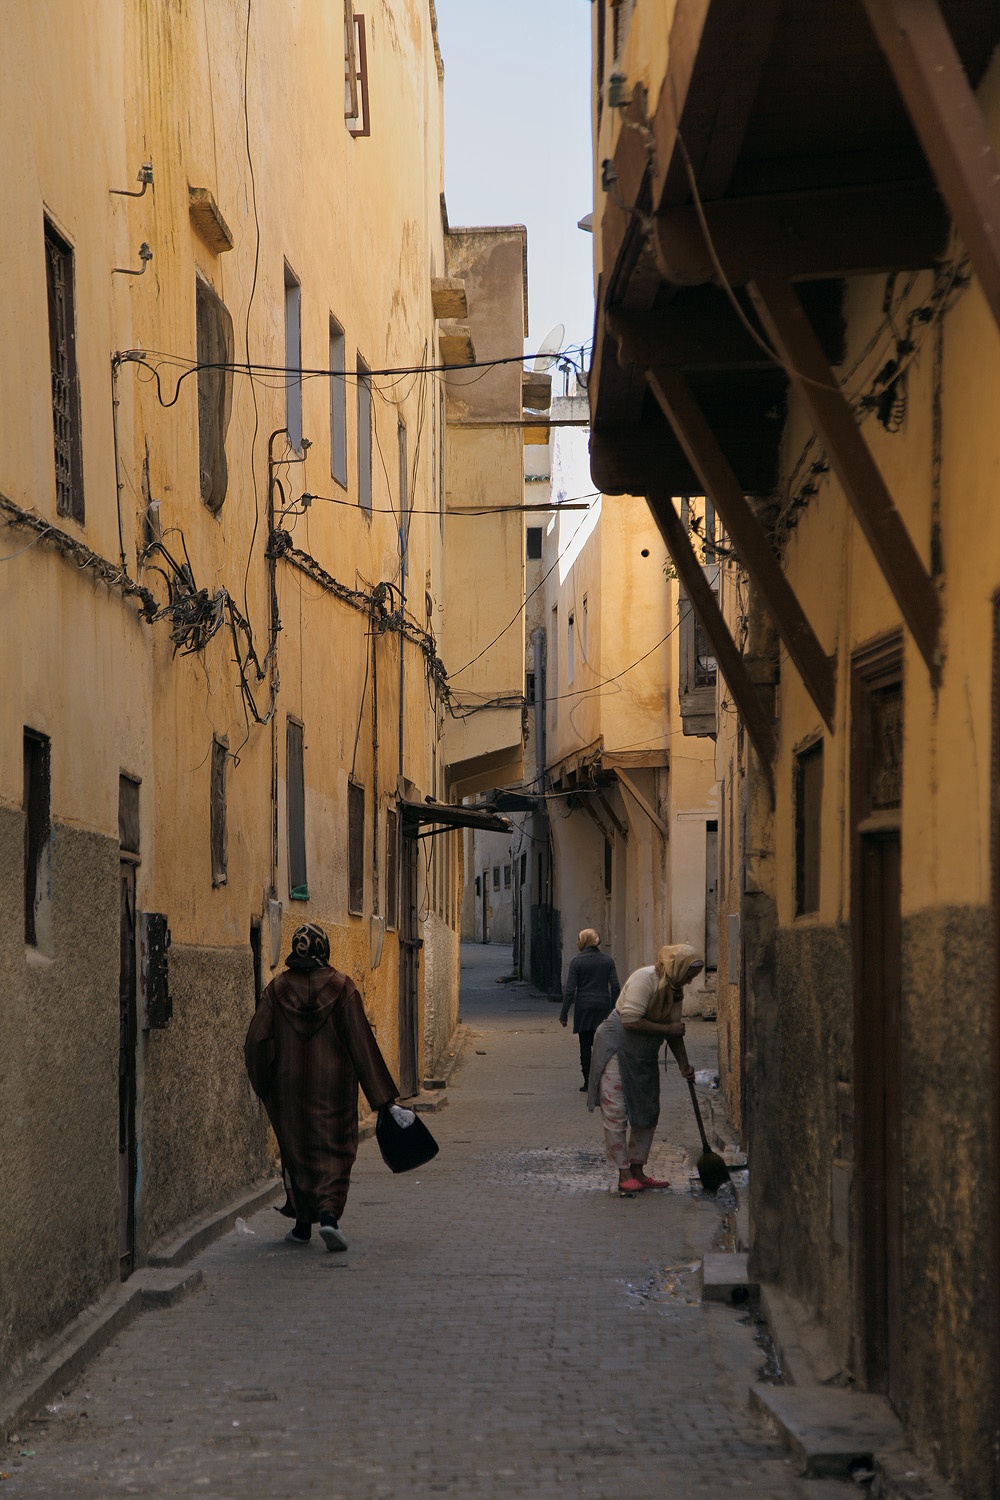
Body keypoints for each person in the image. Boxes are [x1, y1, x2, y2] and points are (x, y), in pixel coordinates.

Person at [244, 921, 399, 1251]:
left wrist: (266, 1085)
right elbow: (362, 1045)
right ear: (324, 952)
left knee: (296, 1150)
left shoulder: (275, 990)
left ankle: (302, 1225)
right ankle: (328, 1218)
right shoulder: (343, 989)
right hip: (334, 1088)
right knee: (334, 1150)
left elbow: (256, 1040)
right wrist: (382, 1098)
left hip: (288, 1089)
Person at [587, 943, 703, 1195]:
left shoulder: (674, 990)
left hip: (644, 1054)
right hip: (617, 1049)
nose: (690, 982)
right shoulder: (645, 979)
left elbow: (675, 1030)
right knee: (616, 1111)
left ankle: (638, 1169)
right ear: (678, 967)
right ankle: (623, 1173)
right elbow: (630, 1020)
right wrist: (667, 1030)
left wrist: (684, 1064)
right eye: (689, 976)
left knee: (647, 1110)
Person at [560, 928, 620, 1090]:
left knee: (585, 1045)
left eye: (579, 939)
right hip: (602, 1007)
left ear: (585, 942)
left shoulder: (577, 962)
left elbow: (570, 990)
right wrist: (615, 1009)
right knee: (603, 1045)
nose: (577, 942)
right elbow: (615, 987)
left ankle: (588, 1082)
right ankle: (603, 1079)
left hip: (584, 1008)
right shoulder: (607, 961)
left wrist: (564, 1014)